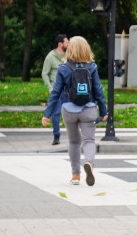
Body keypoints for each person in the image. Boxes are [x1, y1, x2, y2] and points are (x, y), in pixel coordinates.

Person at [42, 36, 108, 186]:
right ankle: (89, 163)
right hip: (88, 109)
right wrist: (104, 111)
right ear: (86, 49)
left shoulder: (63, 68)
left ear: (69, 49)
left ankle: (76, 175)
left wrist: (47, 114)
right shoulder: (92, 67)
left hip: (69, 110)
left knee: (73, 142)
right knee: (89, 140)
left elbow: (56, 93)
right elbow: (98, 90)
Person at [42, 34, 69, 145]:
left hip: (68, 89)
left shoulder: (69, 55)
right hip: (56, 89)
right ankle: (56, 136)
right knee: (56, 113)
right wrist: (50, 88)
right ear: (60, 44)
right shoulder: (50, 56)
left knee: (72, 112)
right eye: (66, 42)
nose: (68, 44)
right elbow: (44, 73)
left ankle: (74, 135)